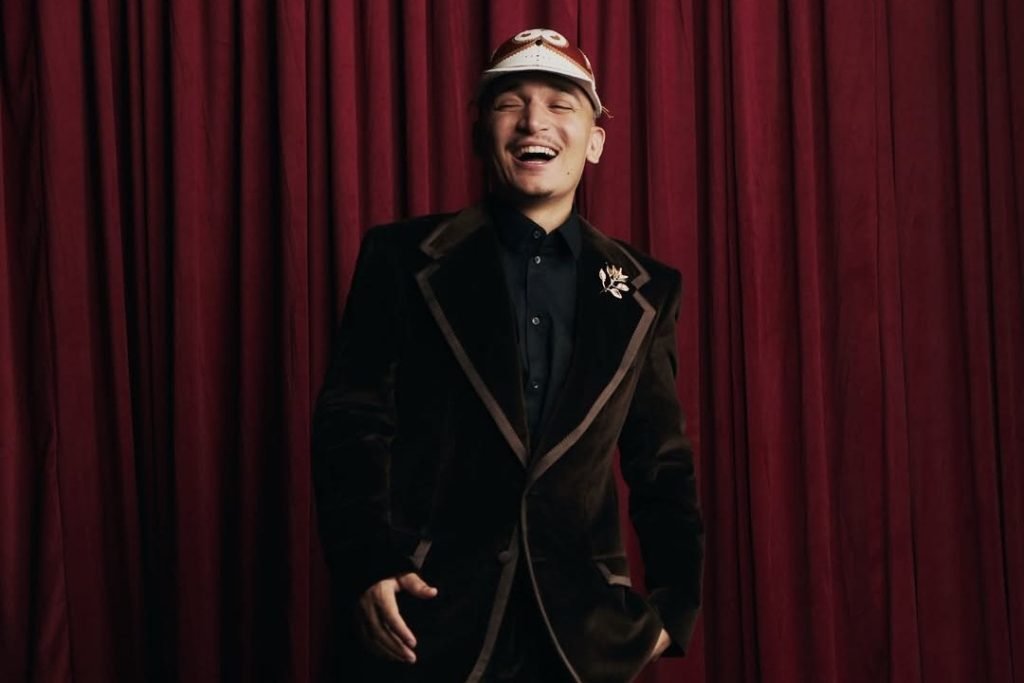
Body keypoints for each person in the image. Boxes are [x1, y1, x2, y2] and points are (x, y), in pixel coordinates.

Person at [312, 27, 704, 683]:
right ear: (480, 133)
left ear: (595, 140)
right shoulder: (401, 259)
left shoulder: (647, 290)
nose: (533, 121)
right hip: (426, 626)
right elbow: (352, 421)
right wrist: (366, 562)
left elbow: (662, 462)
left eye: (559, 103)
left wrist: (673, 607)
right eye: (510, 102)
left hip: (581, 639)